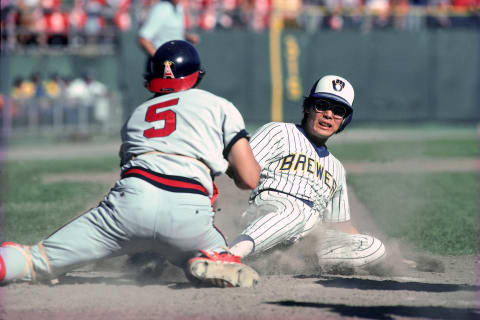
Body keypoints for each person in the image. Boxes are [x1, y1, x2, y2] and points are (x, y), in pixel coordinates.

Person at [0, 40, 261, 288]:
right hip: (189, 214)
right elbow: (249, 179)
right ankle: (204, 258)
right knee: (219, 252)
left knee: (36, 260)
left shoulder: (136, 116)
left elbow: (133, 171)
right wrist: (227, 167)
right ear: (197, 75)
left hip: (132, 204)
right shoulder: (218, 105)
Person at [228, 75, 386, 272]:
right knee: (296, 212)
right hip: (271, 211)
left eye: (338, 111)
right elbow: (240, 167)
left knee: (374, 247)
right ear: (308, 107)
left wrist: (386, 258)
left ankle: (289, 262)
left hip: (307, 238)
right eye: (322, 105)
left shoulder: (336, 167)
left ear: (344, 121)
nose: (329, 114)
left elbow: (341, 225)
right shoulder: (278, 132)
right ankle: (228, 256)